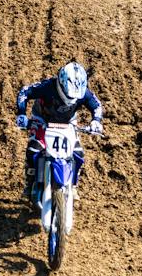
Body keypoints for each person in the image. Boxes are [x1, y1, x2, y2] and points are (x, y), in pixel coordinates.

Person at [15, 62, 102, 192]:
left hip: (68, 123)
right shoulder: (48, 86)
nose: (71, 98)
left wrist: (96, 121)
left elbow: (96, 106)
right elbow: (25, 92)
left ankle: (72, 185)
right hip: (42, 119)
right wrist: (22, 114)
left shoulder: (84, 93)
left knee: (78, 154)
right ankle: (30, 182)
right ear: (61, 82)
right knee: (34, 149)